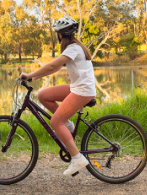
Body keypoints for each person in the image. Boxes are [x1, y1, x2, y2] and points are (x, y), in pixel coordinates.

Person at [19, 17, 96, 176]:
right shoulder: (73, 47)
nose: (56, 36)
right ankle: (67, 125)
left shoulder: (73, 48)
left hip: (83, 91)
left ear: (60, 35)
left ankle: (77, 158)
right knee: (43, 95)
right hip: (78, 87)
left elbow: (54, 64)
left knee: (55, 121)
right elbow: (56, 67)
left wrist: (29, 75)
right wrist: (35, 77)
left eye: (57, 33)